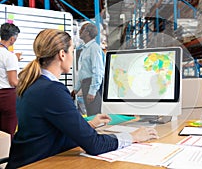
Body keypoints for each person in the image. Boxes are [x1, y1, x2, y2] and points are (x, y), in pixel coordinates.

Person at [6, 29, 158, 168]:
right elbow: (94, 145)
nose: (73, 57)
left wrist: (89, 125)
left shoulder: (33, 84)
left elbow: (50, 130)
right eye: (72, 51)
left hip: (26, 161)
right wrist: (133, 136)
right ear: (62, 54)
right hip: (38, 164)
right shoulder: (52, 90)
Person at [72, 22, 104, 116]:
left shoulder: (94, 48)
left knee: (95, 115)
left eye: (82, 29)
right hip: (86, 84)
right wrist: (76, 89)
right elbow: (83, 72)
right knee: (90, 114)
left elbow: (98, 71)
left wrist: (92, 91)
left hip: (92, 85)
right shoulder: (85, 49)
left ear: (87, 33)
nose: (80, 31)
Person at [0, 23, 20, 139]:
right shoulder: (9, 56)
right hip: (7, 97)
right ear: (12, 39)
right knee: (8, 133)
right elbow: (13, 81)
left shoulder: (10, 56)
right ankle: (8, 157)